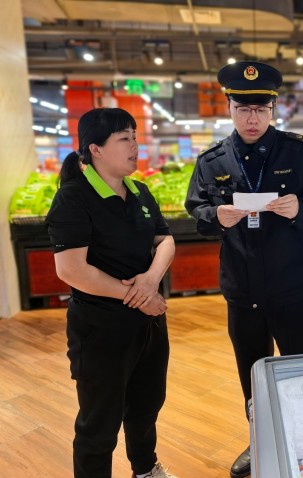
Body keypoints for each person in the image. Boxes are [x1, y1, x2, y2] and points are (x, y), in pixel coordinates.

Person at [184, 61, 303, 478]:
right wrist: (216, 216)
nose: (252, 118)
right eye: (243, 109)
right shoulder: (211, 160)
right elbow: (196, 210)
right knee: (251, 371)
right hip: (242, 287)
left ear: (272, 109)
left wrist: (300, 206)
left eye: (261, 110)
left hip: (291, 285)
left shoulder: (297, 151)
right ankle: (259, 439)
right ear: (229, 108)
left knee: (299, 368)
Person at [45, 108, 177, 478]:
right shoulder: (73, 198)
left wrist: (151, 279)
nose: (135, 145)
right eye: (124, 138)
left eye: (135, 136)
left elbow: (165, 240)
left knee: (146, 406)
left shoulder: (140, 191)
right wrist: (140, 296)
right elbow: (71, 270)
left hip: (149, 325)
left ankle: (145, 469)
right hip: (100, 330)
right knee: (99, 422)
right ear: (96, 149)